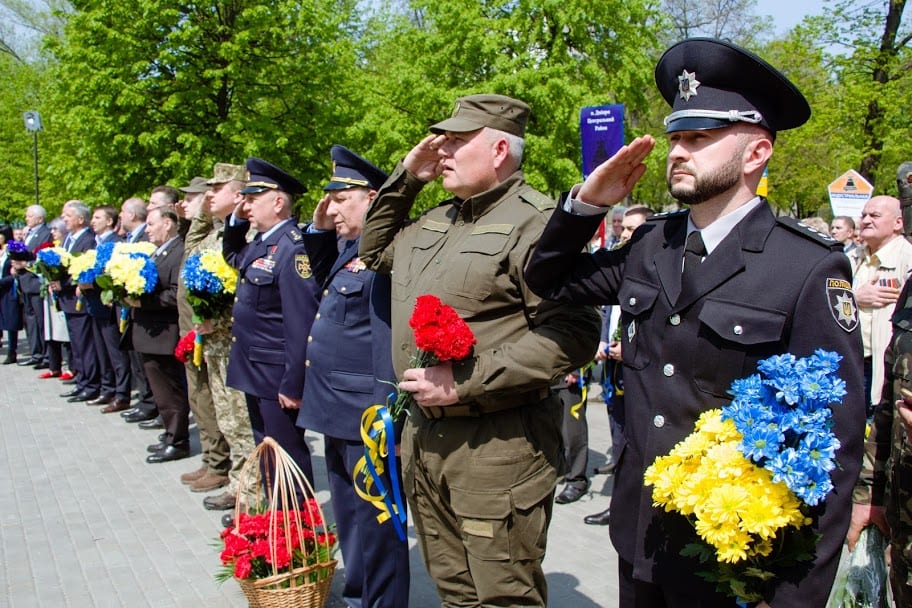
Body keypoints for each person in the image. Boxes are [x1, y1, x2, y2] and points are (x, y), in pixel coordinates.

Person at [524, 38, 864, 606]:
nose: (679, 151)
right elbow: (548, 279)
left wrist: (794, 597)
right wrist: (586, 203)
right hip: (640, 533)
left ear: (755, 153)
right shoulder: (651, 244)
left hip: (732, 557)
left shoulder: (806, 266)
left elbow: (833, 448)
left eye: (700, 138)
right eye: (677, 137)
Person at [358, 94, 600, 606]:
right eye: (439, 140)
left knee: (503, 598)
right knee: (455, 594)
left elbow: (574, 333)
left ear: (497, 150)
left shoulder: (536, 223)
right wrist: (408, 177)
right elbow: (374, 250)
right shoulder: (437, 219)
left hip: (497, 448)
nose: (441, 149)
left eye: (456, 140)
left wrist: (464, 381)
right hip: (426, 444)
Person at [298, 145, 409, 608]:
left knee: (378, 519)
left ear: (371, 197)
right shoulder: (350, 249)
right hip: (335, 404)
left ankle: (383, 602)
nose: (331, 207)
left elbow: (390, 339)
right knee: (347, 511)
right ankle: (360, 590)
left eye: (341, 198)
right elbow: (320, 278)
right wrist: (322, 229)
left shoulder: (389, 252)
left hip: (368, 414)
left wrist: (394, 421)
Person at [222, 157, 320, 487]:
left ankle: (299, 528)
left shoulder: (293, 249)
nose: (246, 206)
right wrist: (235, 219)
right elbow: (233, 255)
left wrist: (294, 384)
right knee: (267, 450)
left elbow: (300, 323)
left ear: (278, 202)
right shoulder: (262, 244)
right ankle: (275, 521)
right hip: (256, 369)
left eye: (252, 200)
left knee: (285, 455)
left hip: (277, 374)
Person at [584, 205, 655, 527]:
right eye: (622, 228)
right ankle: (620, 506)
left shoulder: (657, 271)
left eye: (631, 229)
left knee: (637, 445)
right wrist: (601, 342)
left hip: (641, 377)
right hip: (613, 373)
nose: (623, 234)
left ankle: (633, 511)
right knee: (618, 440)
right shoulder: (618, 265)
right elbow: (606, 313)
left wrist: (632, 349)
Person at [172, 176, 231, 494]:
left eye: (210, 194)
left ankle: (220, 463)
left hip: (217, 334)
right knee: (201, 398)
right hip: (196, 332)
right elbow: (192, 246)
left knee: (214, 401)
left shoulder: (225, 234)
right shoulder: (206, 233)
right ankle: (212, 459)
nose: (203, 200)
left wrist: (203, 212)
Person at [129, 206, 191, 463]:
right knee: (160, 389)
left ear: (167, 224)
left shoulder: (178, 251)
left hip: (165, 334)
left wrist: (143, 301)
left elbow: (176, 293)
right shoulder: (159, 251)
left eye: (152, 224)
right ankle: (170, 435)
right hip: (151, 334)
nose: (147, 229)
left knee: (170, 391)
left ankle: (177, 441)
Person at [852, 195, 912, 412]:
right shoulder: (851, 256)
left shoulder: (907, 257)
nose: (866, 220)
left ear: (898, 223)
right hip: (852, 361)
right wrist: (855, 297)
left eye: (874, 215)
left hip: (885, 370)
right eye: (863, 215)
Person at [81, 205, 131, 411]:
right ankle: (107, 388)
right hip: (95, 305)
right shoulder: (95, 243)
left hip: (110, 306)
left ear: (109, 221)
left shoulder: (116, 244)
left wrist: (94, 284)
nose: (93, 221)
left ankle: (121, 394)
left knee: (116, 353)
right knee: (102, 352)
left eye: (97, 217)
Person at [53, 200, 101, 403]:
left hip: (79, 298)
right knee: (76, 344)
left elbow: (83, 268)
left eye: (68, 215)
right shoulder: (68, 239)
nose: (64, 218)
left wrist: (62, 283)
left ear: (81, 219)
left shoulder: (88, 240)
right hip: (68, 299)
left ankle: (90, 383)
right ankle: (81, 380)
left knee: (85, 344)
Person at [116, 196, 158, 422]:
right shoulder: (130, 238)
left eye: (122, 211)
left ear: (131, 214)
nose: (119, 216)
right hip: (131, 308)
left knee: (148, 364)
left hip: (147, 310)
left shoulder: (144, 239)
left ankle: (150, 403)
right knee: (137, 359)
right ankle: (146, 400)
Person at [19, 205, 53, 368]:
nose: (27, 219)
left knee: (40, 320)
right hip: (25, 282)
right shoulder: (29, 234)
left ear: (40, 218)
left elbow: (42, 257)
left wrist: (26, 264)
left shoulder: (45, 234)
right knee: (31, 321)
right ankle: (36, 352)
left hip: (35, 282)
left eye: (30, 216)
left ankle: (47, 355)